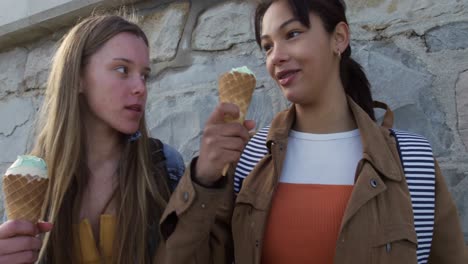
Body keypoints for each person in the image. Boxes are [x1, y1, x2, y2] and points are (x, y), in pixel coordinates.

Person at [193, 0, 468, 263]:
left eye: (293, 33)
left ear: (339, 38)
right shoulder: (249, 158)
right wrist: (203, 180)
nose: (275, 56)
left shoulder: (412, 158)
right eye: (267, 46)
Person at [0, 14, 233, 264]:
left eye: (144, 75)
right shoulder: (35, 178)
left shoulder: (164, 166)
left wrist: (207, 181)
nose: (140, 88)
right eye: (122, 70)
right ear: (78, 77)